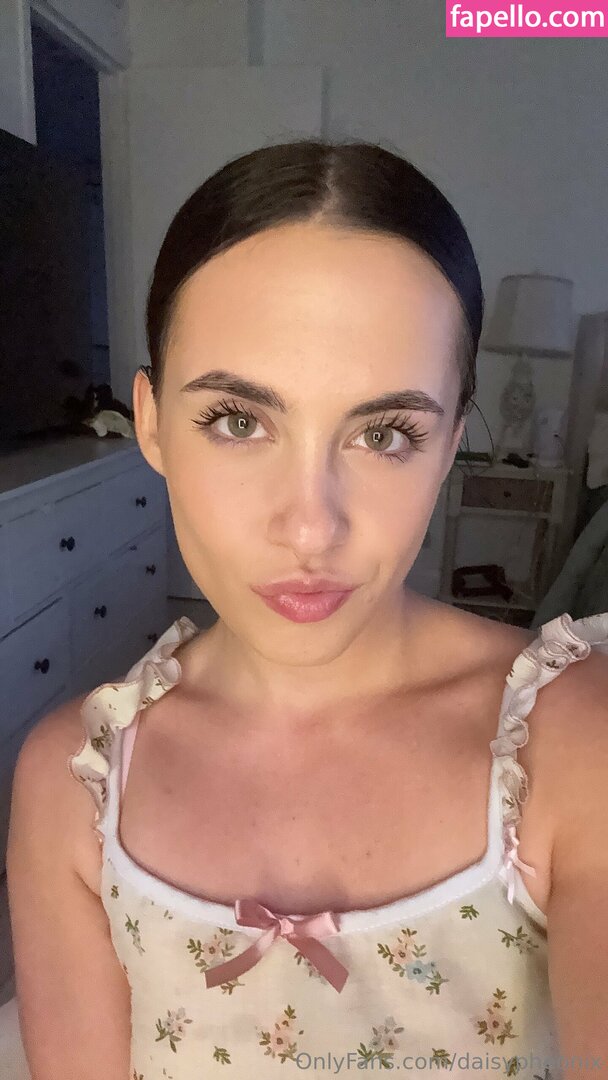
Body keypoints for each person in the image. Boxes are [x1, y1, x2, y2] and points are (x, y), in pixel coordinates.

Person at [4, 138, 608, 1079]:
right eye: (239, 421)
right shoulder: (72, 789)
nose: (311, 526)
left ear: (453, 437)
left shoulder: (571, 744)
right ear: (152, 423)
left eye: (385, 434)